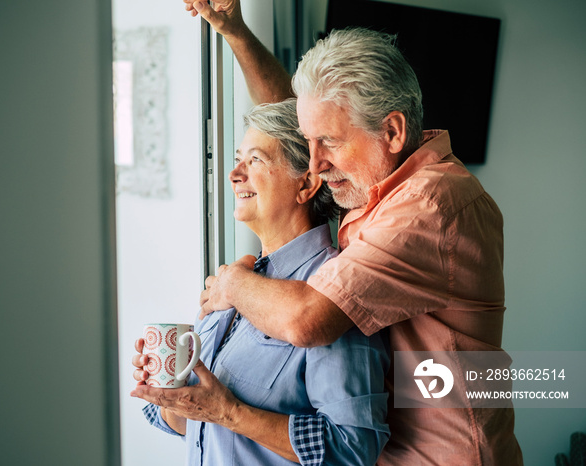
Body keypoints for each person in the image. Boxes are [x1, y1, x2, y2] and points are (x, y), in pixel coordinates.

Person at [184, 2, 524, 464]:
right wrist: (236, 33)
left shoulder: (428, 205)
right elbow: (290, 124)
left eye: (330, 144)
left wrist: (231, 283)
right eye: (311, 144)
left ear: (392, 131)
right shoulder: (380, 174)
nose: (316, 164)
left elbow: (308, 320)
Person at [131, 99, 391, 466]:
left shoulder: (332, 291)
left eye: (255, 160)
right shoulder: (231, 283)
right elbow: (198, 422)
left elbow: (353, 447)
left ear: (307, 184)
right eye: (239, 158)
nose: (235, 173)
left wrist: (230, 413)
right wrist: (170, 394)